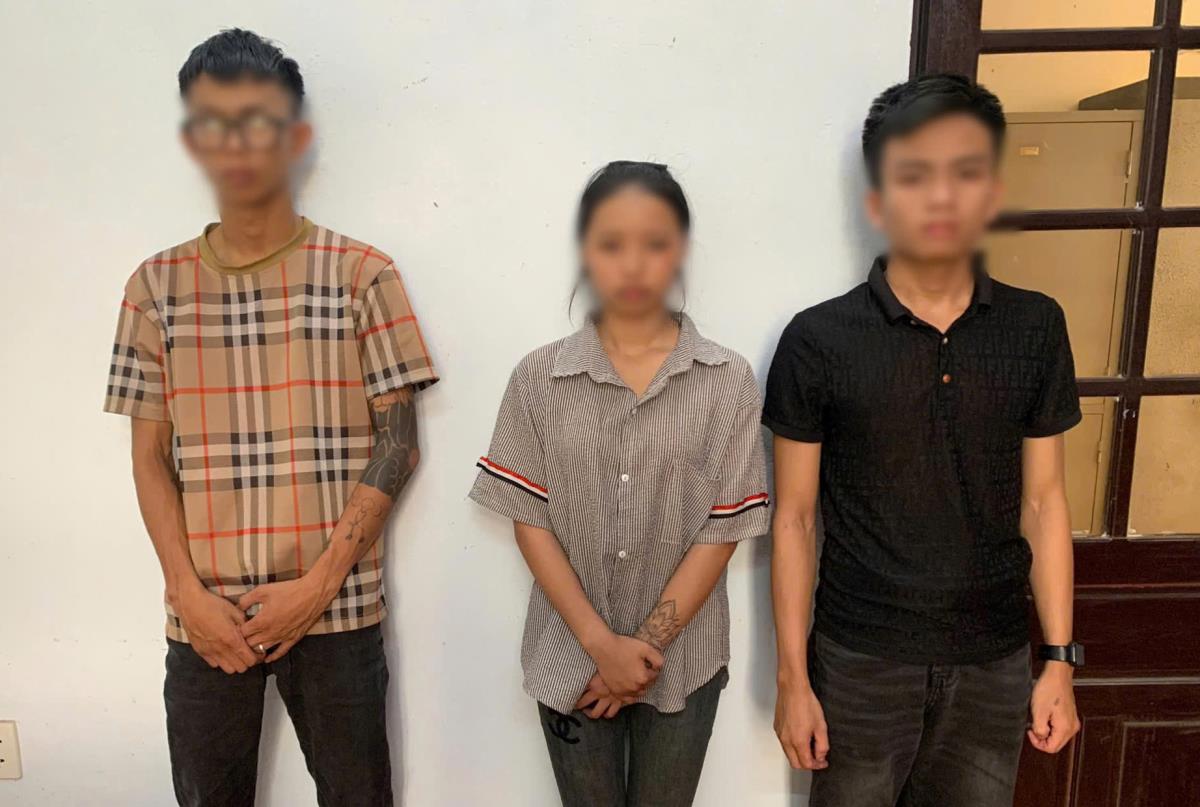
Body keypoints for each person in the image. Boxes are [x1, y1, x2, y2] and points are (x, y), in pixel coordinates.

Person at [102, 29, 437, 806]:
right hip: (204, 616)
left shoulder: (362, 275)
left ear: (293, 136)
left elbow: (399, 444)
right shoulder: (154, 289)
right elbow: (148, 456)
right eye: (214, 123)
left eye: (256, 120)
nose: (237, 144)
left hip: (336, 608)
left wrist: (317, 585)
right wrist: (185, 593)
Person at [765, 73, 1083, 806]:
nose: (941, 197)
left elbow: (1044, 502)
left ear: (991, 192)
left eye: (964, 172)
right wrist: (792, 679)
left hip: (994, 661)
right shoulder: (819, 339)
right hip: (860, 660)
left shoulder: (1036, 326)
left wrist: (1060, 660)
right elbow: (795, 519)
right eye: (914, 175)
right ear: (879, 200)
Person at [470, 161, 769, 806]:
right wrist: (600, 645)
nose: (633, 264)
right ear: (586, 250)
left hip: (684, 660)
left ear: (680, 250)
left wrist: (642, 647)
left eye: (654, 243)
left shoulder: (727, 380)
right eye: (611, 243)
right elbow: (530, 520)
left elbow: (721, 530)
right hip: (571, 655)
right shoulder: (539, 378)